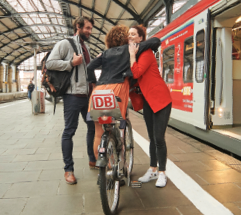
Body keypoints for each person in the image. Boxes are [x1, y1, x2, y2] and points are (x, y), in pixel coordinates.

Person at [87, 26, 160, 158]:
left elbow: (89, 67)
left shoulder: (105, 54)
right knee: (121, 124)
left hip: (98, 91)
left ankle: (102, 170)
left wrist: (93, 83)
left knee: (98, 132)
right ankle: (120, 163)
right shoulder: (129, 49)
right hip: (117, 89)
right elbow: (155, 41)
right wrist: (136, 44)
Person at [45, 16, 96, 185]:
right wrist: (70, 63)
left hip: (87, 96)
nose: (89, 31)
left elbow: (88, 71)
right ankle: (69, 170)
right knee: (69, 131)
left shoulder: (86, 47)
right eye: (87, 28)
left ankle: (92, 158)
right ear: (78, 27)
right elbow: (50, 63)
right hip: (72, 96)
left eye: (90, 28)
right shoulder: (65, 44)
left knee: (92, 125)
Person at [128, 25, 172, 188]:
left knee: (159, 138)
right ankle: (153, 169)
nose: (130, 37)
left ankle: (162, 173)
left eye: (133, 34)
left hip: (161, 100)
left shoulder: (145, 54)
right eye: (129, 35)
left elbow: (137, 73)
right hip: (148, 101)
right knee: (152, 138)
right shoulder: (134, 54)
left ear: (140, 38)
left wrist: (132, 55)